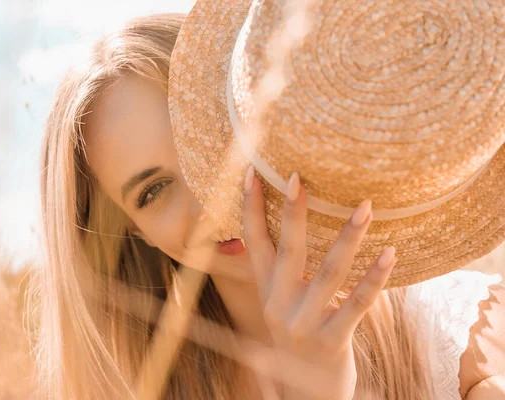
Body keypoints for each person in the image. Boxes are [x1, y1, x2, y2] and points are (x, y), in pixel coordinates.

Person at [31, 12, 505, 400]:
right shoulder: (141, 389)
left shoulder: (464, 332)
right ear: (133, 231)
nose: (211, 200)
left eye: (212, 144)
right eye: (153, 191)